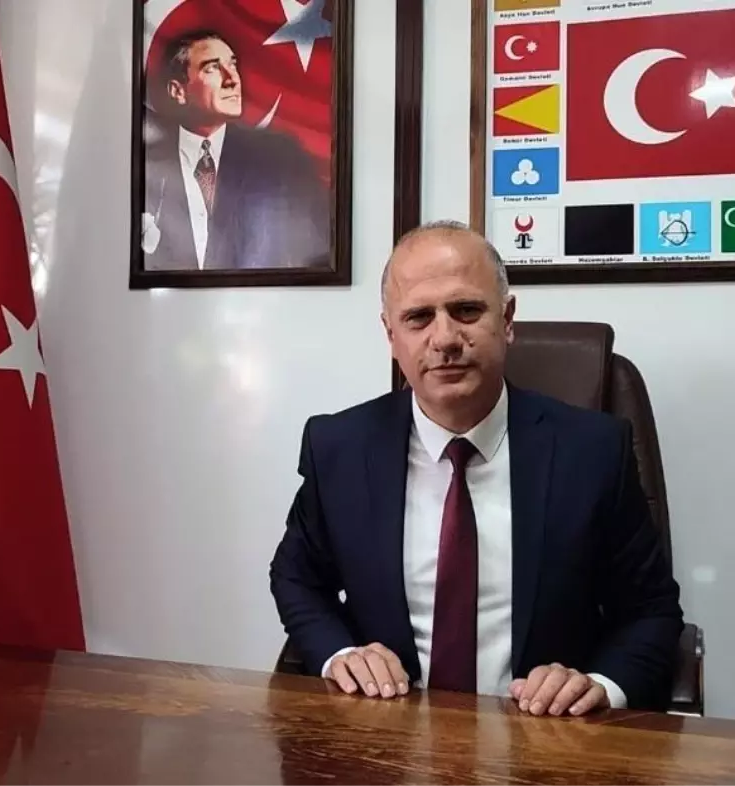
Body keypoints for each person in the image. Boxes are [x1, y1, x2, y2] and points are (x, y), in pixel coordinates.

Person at [269, 220, 684, 717]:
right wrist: (340, 655)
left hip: (545, 736)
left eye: (466, 310)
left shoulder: (593, 452)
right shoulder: (339, 448)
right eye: (418, 317)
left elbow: (650, 611)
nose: (445, 338)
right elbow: (296, 578)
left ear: (506, 319)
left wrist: (597, 686)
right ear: (391, 334)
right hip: (386, 732)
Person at [141, 29, 330, 271]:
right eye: (212, 68)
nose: (232, 79)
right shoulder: (146, 167)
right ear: (178, 91)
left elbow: (315, 251)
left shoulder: (280, 158)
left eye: (232, 65)